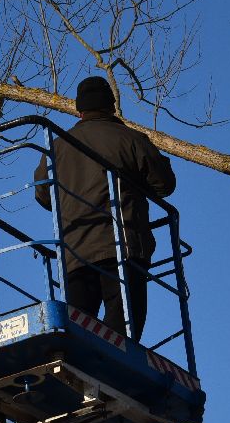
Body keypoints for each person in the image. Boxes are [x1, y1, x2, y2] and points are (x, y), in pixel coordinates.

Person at [34, 76, 176, 338]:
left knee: (78, 329)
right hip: (122, 245)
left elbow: (43, 194)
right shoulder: (131, 139)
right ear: (111, 106)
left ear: (79, 110)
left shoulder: (58, 146)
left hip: (75, 251)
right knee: (123, 331)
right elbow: (164, 184)